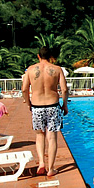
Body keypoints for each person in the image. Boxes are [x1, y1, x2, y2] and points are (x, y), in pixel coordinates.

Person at [22, 46, 69, 177]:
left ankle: (42, 163)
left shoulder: (30, 70)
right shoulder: (57, 69)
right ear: (50, 56)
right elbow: (64, 89)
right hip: (53, 105)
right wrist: (65, 105)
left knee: (40, 135)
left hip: (37, 106)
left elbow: (24, 89)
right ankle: (51, 168)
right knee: (52, 137)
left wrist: (28, 103)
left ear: (38, 56)